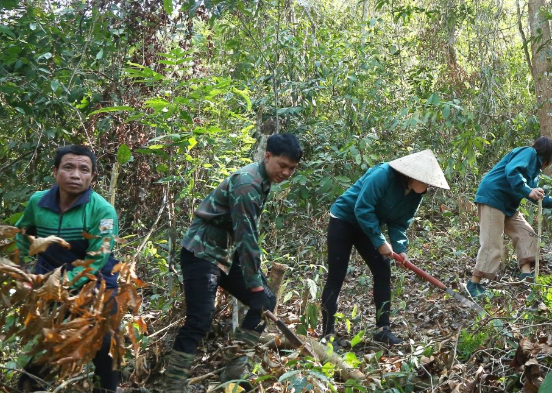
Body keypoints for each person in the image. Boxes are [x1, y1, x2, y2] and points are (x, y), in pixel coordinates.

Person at [161, 133, 303, 392]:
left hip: (226, 254)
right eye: (282, 165)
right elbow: (247, 237)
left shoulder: (263, 180)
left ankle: (233, 373)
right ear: (267, 156)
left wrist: (258, 287)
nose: (286, 173)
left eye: (291, 168)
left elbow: (244, 238)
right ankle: (173, 385)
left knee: (266, 302)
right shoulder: (247, 183)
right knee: (200, 319)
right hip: (202, 251)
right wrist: (255, 286)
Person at [14, 145, 121, 393]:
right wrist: (20, 270)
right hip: (49, 281)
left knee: (105, 344)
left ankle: (107, 389)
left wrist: (59, 285)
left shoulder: (103, 211)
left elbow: (96, 260)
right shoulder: (38, 202)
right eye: (68, 167)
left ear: (93, 176)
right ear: (55, 171)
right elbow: (21, 234)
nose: (75, 175)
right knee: (46, 344)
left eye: (84, 169)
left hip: (97, 284)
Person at [320, 149, 449, 346]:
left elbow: (399, 223)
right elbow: (362, 208)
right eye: (427, 182)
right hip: (344, 220)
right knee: (336, 276)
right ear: (413, 176)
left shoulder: (416, 194)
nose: (428, 187)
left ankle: (383, 329)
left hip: (368, 226)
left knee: (382, 271)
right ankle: (327, 335)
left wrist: (400, 248)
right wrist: (379, 241)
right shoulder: (382, 175)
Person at [466, 137, 552, 298]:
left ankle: (526, 275)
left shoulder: (535, 170)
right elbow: (512, 171)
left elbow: (533, 194)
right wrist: (528, 190)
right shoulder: (529, 153)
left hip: (508, 206)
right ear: (549, 158)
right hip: (493, 197)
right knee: (492, 242)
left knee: (526, 233)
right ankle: (474, 283)